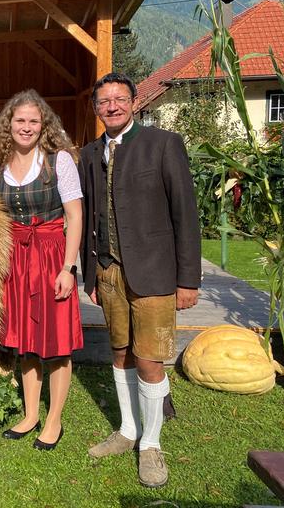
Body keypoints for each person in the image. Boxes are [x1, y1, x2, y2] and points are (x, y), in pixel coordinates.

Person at [79, 72, 201, 488]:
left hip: (155, 271)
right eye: (104, 101)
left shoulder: (163, 144)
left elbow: (185, 214)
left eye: (119, 99)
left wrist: (188, 279)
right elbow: (91, 214)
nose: (111, 106)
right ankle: (128, 430)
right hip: (109, 271)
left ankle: (150, 443)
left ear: (134, 101)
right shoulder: (90, 153)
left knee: (150, 360)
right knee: (120, 354)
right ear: (95, 109)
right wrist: (90, 273)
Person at [0, 89, 83, 452]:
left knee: (56, 343)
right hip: (14, 260)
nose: (26, 127)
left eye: (33, 121)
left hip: (51, 255)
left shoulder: (59, 161)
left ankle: (54, 419)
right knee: (26, 342)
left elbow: (74, 215)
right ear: (8, 124)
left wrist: (68, 269)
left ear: (44, 126)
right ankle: (30, 414)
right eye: (20, 120)